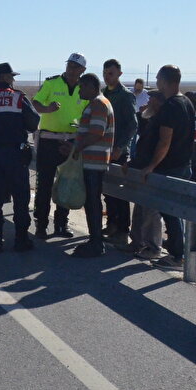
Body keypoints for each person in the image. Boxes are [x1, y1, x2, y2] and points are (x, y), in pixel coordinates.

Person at [0, 63, 39, 252]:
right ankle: (21, 239)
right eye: (11, 76)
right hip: (15, 155)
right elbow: (34, 123)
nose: (13, 80)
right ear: (4, 78)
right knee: (20, 198)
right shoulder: (17, 97)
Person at [139, 65, 196, 268]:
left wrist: (152, 166)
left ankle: (176, 256)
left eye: (157, 79)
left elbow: (165, 141)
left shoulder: (172, 106)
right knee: (172, 211)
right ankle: (176, 252)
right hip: (182, 165)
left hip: (170, 167)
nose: (156, 82)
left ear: (164, 81)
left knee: (169, 211)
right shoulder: (187, 102)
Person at [31, 54, 89, 239]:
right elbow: (36, 102)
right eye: (69, 65)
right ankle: (41, 224)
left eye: (75, 66)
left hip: (71, 141)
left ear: (82, 70)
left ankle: (61, 224)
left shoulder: (84, 88)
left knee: (67, 183)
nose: (71, 69)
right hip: (49, 140)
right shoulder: (52, 83)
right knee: (44, 185)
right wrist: (47, 109)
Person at [67, 74, 115, 257]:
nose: (79, 90)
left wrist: (76, 148)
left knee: (93, 202)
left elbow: (96, 133)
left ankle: (96, 243)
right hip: (92, 161)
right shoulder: (97, 103)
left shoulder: (98, 104)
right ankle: (94, 240)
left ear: (90, 86)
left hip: (94, 163)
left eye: (82, 87)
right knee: (91, 201)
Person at [123, 90, 165, 260]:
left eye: (153, 98)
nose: (149, 100)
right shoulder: (151, 120)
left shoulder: (162, 122)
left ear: (159, 102)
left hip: (153, 170)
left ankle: (153, 247)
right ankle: (137, 242)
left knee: (151, 211)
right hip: (143, 169)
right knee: (140, 208)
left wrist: (150, 165)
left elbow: (154, 148)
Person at [101, 59, 138, 248]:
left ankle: (123, 231)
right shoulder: (104, 94)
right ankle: (112, 225)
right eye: (105, 73)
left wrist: (120, 148)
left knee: (119, 193)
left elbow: (133, 125)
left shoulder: (125, 96)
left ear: (119, 75)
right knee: (108, 191)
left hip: (118, 151)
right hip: (104, 149)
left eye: (111, 73)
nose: (107, 77)